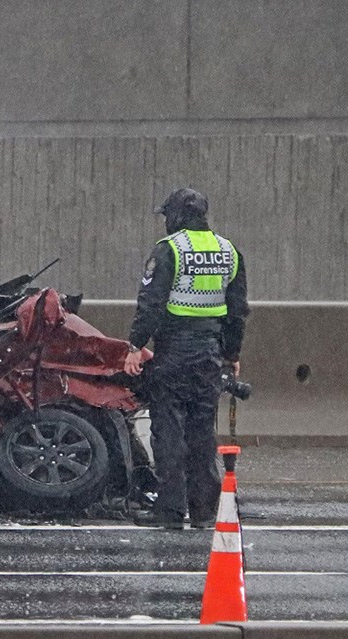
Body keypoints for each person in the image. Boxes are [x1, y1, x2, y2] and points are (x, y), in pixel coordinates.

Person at [124, 187, 249, 530]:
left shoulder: (169, 251)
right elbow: (238, 311)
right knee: (202, 432)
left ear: (177, 216)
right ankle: (204, 511)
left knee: (168, 431)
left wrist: (135, 346)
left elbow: (150, 303)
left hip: (174, 351)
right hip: (209, 353)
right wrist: (231, 354)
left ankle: (171, 511)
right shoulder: (229, 251)